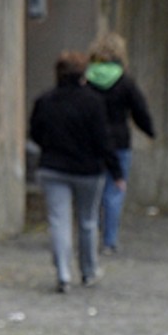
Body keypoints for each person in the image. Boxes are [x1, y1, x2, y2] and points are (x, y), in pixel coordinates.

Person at [28, 51, 124, 293]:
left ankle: (63, 273)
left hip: (53, 167)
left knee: (58, 220)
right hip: (88, 170)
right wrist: (116, 170)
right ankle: (88, 270)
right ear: (83, 74)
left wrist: (50, 147)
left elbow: (35, 133)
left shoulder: (44, 101)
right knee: (88, 221)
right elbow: (103, 139)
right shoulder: (93, 102)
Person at [84, 30, 155, 255]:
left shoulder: (85, 79)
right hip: (119, 141)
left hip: (91, 141)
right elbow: (139, 110)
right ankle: (109, 241)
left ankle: (90, 233)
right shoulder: (124, 81)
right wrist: (150, 131)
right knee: (114, 191)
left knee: (92, 190)